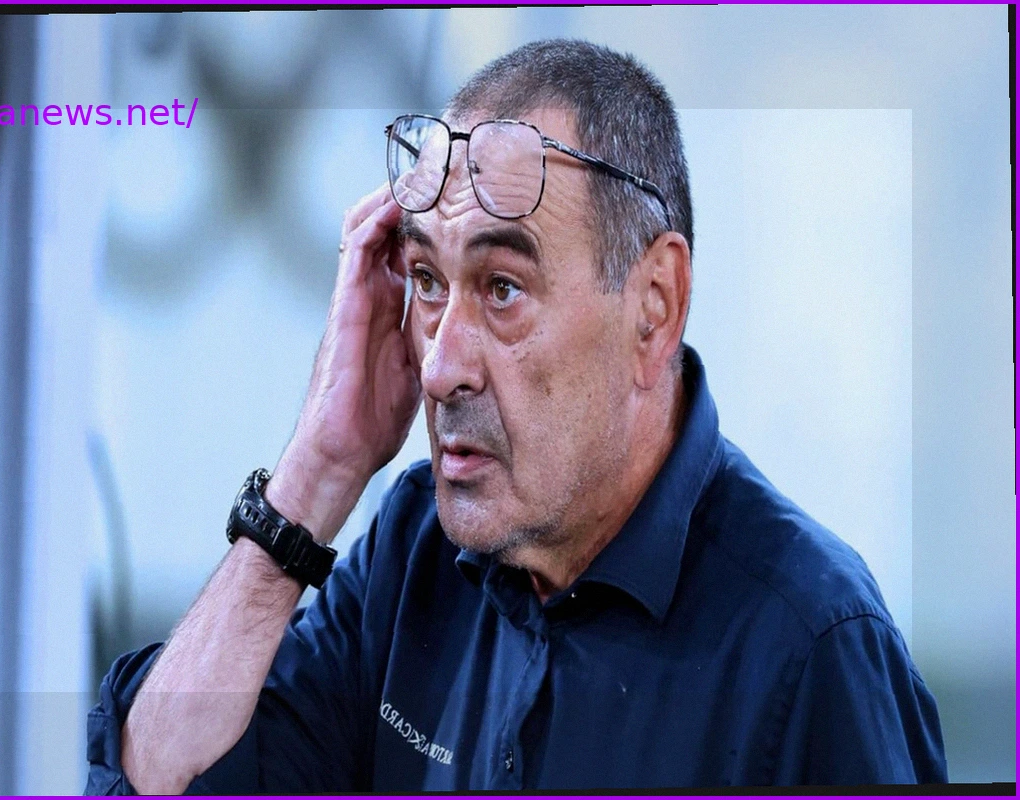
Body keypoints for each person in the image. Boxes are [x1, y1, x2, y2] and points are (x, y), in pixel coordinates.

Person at [85, 39, 947, 792]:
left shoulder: (811, 642)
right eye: (428, 282)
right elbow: (158, 780)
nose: (441, 366)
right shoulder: (413, 553)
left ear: (654, 306)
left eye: (502, 289)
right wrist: (320, 467)